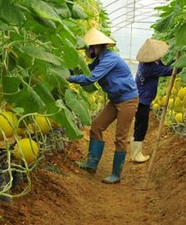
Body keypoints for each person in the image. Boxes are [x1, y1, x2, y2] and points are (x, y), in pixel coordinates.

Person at [66, 27, 138, 184]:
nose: (87, 51)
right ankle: (91, 164)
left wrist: (69, 78)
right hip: (115, 99)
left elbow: (90, 78)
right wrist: (68, 70)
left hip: (128, 100)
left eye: (88, 48)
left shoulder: (110, 59)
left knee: (120, 137)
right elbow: (84, 70)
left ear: (96, 47)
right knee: (97, 126)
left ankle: (116, 175)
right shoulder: (99, 60)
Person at [132, 38, 175, 163]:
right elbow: (169, 71)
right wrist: (182, 64)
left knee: (139, 125)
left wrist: (175, 61)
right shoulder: (149, 68)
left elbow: (165, 66)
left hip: (140, 99)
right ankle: (136, 155)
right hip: (142, 101)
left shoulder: (146, 63)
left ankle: (135, 153)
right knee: (141, 127)